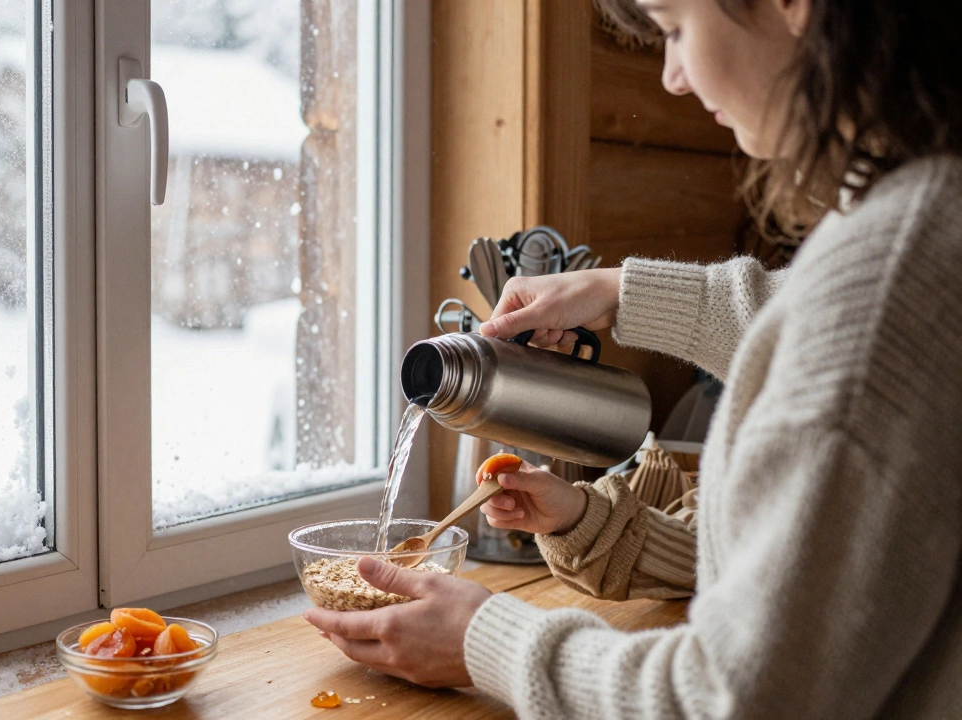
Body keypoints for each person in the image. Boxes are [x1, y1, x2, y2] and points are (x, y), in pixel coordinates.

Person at [303, 0, 962, 716]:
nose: (673, 77)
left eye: (675, 27)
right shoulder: (926, 218)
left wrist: (483, 640)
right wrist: (615, 291)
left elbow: (734, 699)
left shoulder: (889, 273)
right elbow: (805, 323)